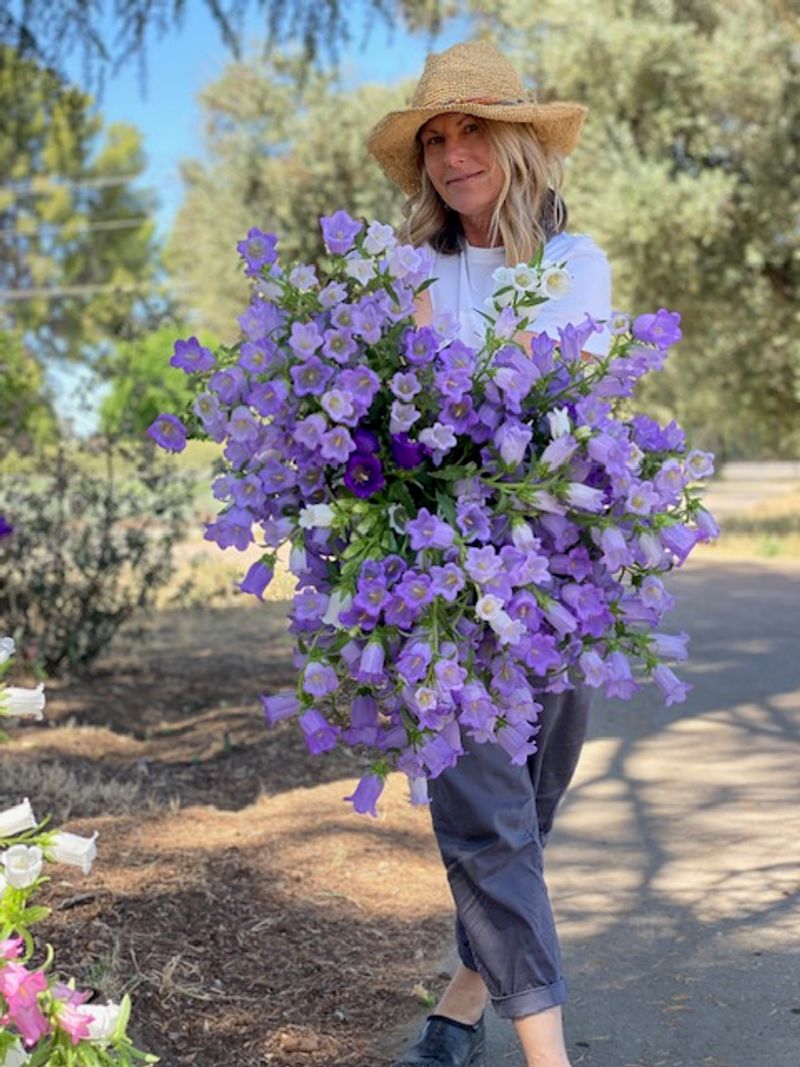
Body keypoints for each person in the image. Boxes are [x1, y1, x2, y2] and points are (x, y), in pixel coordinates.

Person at [366, 40, 612, 1067]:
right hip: (436, 585)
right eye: (435, 138)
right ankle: (548, 1056)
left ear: (518, 143)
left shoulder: (575, 261)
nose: (453, 152)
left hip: (558, 572)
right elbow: (420, 411)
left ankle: (461, 1002)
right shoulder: (405, 267)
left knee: (532, 799)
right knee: (485, 815)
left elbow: (536, 391)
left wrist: (443, 359)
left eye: (473, 129)